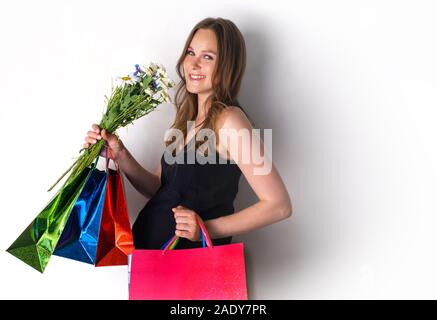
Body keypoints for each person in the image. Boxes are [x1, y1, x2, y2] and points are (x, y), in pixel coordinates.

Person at [83, 17, 292, 249]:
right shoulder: (187, 121)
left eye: (208, 57)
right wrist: (120, 154)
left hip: (188, 270)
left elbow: (278, 205)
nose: (193, 64)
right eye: (191, 52)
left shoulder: (231, 121)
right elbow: (160, 189)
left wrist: (205, 229)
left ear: (227, 66)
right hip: (151, 262)